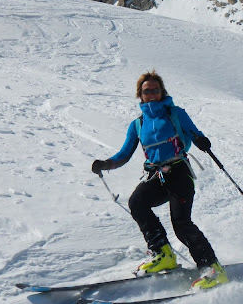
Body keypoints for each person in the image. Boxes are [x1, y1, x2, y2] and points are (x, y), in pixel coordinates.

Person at [91, 70, 228, 289]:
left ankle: (213, 269)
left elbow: (194, 133)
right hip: (156, 175)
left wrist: (201, 140)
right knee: (137, 202)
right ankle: (163, 254)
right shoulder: (138, 124)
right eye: (147, 91)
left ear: (162, 91)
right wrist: (105, 164)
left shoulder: (176, 114)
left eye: (156, 90)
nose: (152, 94)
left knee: (181, 224)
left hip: (179, 172)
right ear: (140, 95)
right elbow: (124, 154)